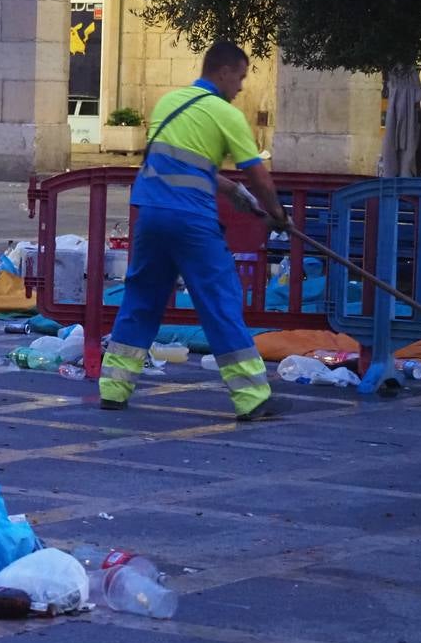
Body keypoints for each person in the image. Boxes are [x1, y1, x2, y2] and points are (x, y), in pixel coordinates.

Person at [99, 40, 290, 420]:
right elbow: (259, 175)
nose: (240, 87)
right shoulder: (226, 114)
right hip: (192, 221)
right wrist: (277, 215)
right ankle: (251, 397)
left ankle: (114, 388)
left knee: (141, 298)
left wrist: (231, 190)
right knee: (220, 301)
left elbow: (180, 165)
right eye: (240, 77)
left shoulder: (169, 103)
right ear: (224, 71)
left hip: (150, 214)